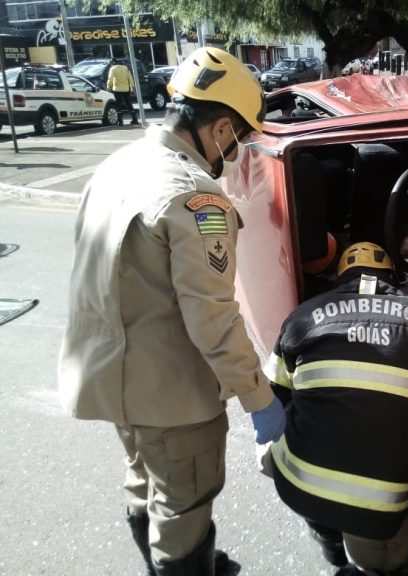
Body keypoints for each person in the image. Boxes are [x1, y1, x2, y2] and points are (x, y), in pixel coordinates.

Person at [58, 47, 284, 576]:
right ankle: (181, 564)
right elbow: (213, 318)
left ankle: (176, 558)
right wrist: (260, 399)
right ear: (223, 129)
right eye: (242, 139)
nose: (239, 151)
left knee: (144, 480)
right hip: (172, 397)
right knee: (184, 502)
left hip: (114, 381)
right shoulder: (193, 198)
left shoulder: (118, 164)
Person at [262, 242, 408, 576]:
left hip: (296, 484)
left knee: (291, 472)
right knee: (389, 555)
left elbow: (275, 395)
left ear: (340, 277)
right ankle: (368, 562)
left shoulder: (303, 315)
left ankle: (328, 538)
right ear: (392, 278)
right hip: (378, 505)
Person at [106, 58, 139, 125]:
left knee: (119, 105)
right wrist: (132, 87)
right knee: (129, 103)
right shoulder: (125, 68)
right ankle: (134, 119)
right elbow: (130, 78)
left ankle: (121, 122)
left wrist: (108, 86)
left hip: (117, 89)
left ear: (112, 64)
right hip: (126, 89)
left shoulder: (112, 69)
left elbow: (110, 78)